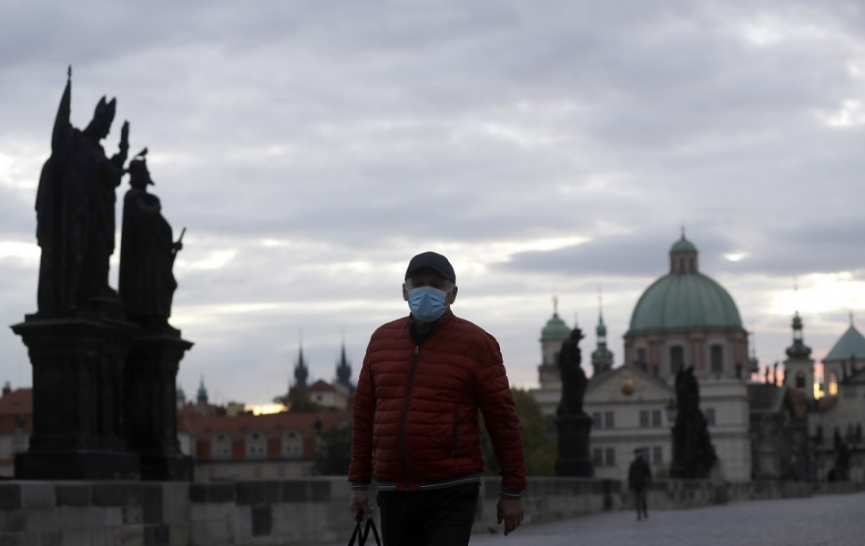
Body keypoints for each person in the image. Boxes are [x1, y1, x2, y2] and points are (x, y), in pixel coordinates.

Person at [349, 251, 526, 545]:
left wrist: (513, 490)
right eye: (418, 284)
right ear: (405, 292)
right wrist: (358, 484)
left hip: (452, 489)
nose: (425, 290)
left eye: (436, 284)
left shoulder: (477, 343)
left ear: (452, 294)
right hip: (395, 490)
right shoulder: (381, 340)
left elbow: (504, 422)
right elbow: (364, 416)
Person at [118, 151, 183, 331]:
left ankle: (159, 316)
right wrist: (156, 205)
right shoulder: (133, 198)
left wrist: (171, 245)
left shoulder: (146, 199)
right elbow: (145, 218)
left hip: (156, 256)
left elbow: (159, 229)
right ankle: (150, 317)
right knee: (151, 287)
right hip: (144, 257)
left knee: (168, 284)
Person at [628, 448, 652, 520]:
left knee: (643, 499)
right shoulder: (633, 464)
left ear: (641, 454)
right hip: (636, 484)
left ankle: (644, 512)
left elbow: (649, 473)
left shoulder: (644, 463)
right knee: (637, 500)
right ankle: (639, 514)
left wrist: (650, 482)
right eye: (636, 453)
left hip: (643, 484)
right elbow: (630, 475)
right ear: (635, 455)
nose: (637, 455)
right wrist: (630, 484)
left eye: (638, 453)